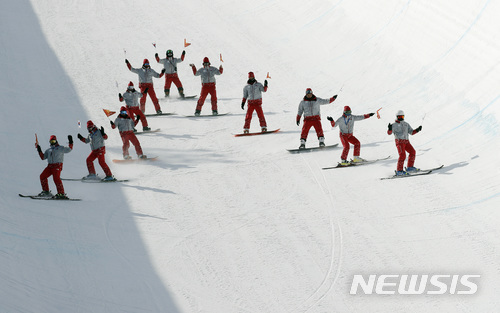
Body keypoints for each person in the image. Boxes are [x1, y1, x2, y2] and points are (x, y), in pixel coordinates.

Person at [36, 135, 73, 199]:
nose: (52, 143)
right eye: (51, 141)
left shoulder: (60, 148)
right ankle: (46, 191)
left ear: (56, 141)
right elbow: (43, 157)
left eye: (54, 141)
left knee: (56, 178)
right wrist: (39, 149)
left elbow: (69, 149)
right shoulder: (49, 150)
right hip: (50, 166)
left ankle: (61, 193)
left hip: (57, 166)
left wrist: (70, 141)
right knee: (42, 176)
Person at [387, 110, 422, 176]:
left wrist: (417, 130)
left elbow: (411, 132)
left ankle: (410, 167)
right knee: (402, 155)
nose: (401, 118)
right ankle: (399, 171)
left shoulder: (406, 124)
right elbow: (389, 133)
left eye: (402, 116)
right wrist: (389, 129)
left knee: (412, 152)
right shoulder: (394, 125)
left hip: (406, 141)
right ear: (397, 117)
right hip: (399, 142)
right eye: (399, 116)